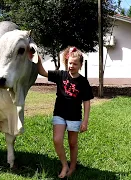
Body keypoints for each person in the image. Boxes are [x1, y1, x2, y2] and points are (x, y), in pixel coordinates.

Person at [37, 46, 94, 178]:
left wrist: (85, 121)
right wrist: (37, 58)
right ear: (66, 62)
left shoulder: (83, 82)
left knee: (72, 143)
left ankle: (73, 166)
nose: (71, 66)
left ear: (80, 65)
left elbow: (87, 102)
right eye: (70, 63)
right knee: (57, 140)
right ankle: (64, 165)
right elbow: (42, 72)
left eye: (75, 64)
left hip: (74, 117)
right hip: (59, 114)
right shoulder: (60, 75)